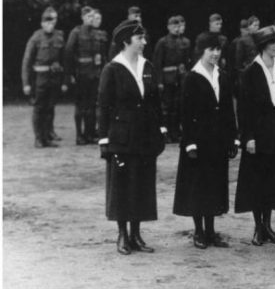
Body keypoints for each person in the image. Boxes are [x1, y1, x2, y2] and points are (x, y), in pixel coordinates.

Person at [97, 19, 167, 255]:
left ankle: (137, 235)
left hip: (146, 135)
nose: (144, 42)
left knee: (142, 184)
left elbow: (156, 102)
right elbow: (103, 107)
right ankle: (122, 235)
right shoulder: (112, 69)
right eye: (140, 39)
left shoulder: (147, 66)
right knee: (123, 185)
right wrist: (104, 140)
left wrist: (161, 128)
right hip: (122, 137)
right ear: (126, 42)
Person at [173, 33, 239, 249]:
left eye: (218, 49)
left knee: (215, 185)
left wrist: (233, 138)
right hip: (199, 142)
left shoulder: (223, 76)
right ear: (201, 51)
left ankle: (211, 231)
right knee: (198, 186)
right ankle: (199, 231)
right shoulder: (192, 77)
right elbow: (185, 113)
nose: (216, 53)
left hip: (218, 141)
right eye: (211, 49)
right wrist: (190, 142)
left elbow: (229, 109)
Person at [235, 27, 275, 245]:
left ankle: (269, 226)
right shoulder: (250, 72)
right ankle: (258, 227)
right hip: (259, 136)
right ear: (263, 46)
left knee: (273, 181)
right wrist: (248, 137)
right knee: (257, 182)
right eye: (273, 43)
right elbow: (244, 109)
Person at [22, 7, 68, 148]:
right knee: (39, 108)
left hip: (54, 78)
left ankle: (47, 138)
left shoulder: (59, 36)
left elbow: (64, 60)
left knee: (50, 107)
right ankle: (38, 139)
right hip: (39, 78)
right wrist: (26, 83)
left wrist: (64, 80)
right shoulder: (36, 37)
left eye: (52, 23)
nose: (49, 26)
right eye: (47, 23)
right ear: (42, 24)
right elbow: (27, 61)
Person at [64, 6, 102, 144]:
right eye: (88, 17)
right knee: (80, 105)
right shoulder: (76, 32)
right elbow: (68, 53)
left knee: (91, 105)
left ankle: (90, 134)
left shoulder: (96, 33)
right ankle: (79, 135)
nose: (91, 19)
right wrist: (70, 74)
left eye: (93, 17)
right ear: (83, 17)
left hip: (93, 74)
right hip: (80, 74)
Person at [152, 16, 192, 143]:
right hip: (167, 78)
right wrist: (159, 81)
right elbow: (157, 63)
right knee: (166, 107)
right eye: (173, 26)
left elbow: (187, 62)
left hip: (180, 78)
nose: (176, 28)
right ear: (168, 27)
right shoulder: (162, 42)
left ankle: (176, 132)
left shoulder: (185, 42)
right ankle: (166, 133)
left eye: (178, 26)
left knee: (178, 106)